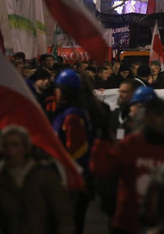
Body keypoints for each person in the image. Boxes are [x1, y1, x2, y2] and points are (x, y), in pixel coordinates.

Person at [91, 97, 164, 234]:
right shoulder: (132, 144)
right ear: (147, 117)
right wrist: (101, 138)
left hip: (163, 226)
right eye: (159, 115)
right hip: (127, 224)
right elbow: (101, 170)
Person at [0, 125, 74, 234]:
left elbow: (63, 215)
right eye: (5, 145)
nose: (9, 150)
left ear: (25, 148)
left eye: (15, 145)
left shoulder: (43, 177)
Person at [51, 69, 92, 234]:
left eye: (58, 88)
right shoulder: (66, 112)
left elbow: (76, 154)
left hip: (70, 182)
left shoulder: (72, 116)